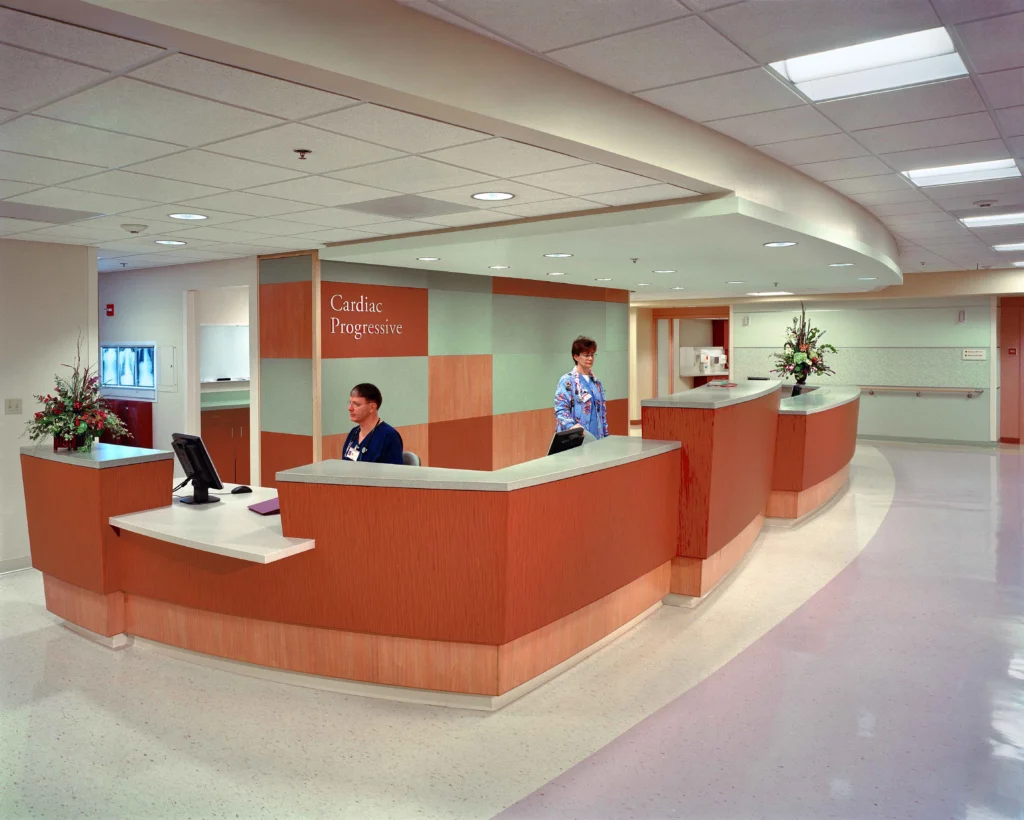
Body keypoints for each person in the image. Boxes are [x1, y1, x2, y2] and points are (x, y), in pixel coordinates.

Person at [554, 335, 609, 440]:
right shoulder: (567, 381)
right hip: (576, 437)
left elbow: (602, 412)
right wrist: (571, 427)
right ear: (576, 356)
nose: (590, 358)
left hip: (597, 436)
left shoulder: (596, 383)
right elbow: (561, 409)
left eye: (592, 355)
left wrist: (606, 435)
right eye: (586, 355)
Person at [340, 383, 404, 465]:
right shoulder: (354, 433)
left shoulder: (389, 436)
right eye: (350, 403)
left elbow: (394, 474)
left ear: (372, 407)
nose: (350, 408)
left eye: (356, 404)